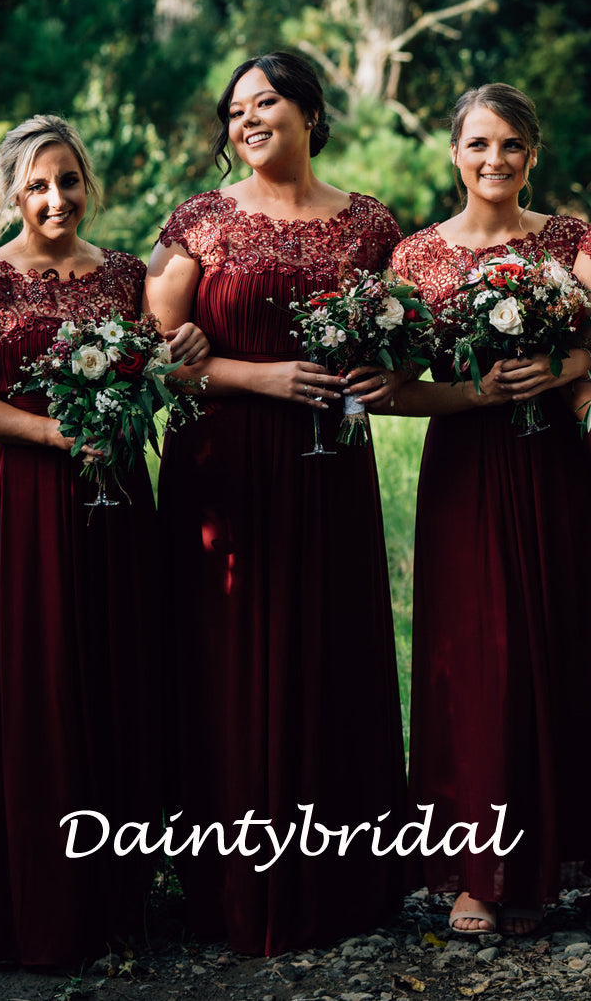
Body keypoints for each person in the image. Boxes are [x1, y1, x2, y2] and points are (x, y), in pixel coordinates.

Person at [145, 51, 407, 955]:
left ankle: (340, 880)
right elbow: (157, 357)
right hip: (224, 466)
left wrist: (383, 372)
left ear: (309, 111)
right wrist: (259, 375)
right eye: (233, 109)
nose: (245, 118)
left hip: (329, 464)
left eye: (264, 101)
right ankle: (230, 887)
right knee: (228, 663)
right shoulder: (198, 224)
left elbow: (400, 332)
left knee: (327, 645)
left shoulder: (371, 223)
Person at [0, 114, 206, 967]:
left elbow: (165, 367)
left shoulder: (123, 275)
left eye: (69, 181)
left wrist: (182, 347)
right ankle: (31, 898)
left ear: (90, 185)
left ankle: (117, 895)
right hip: (27, 502)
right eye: (38, 185)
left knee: (116, 673)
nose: (56, 199)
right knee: (34, 679)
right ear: (12, 190)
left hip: (118, 498)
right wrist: (46, 437)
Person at [386, 84, 591, 937]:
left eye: (511, 145)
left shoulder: (573, 239)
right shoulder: (414, 257)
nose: (495, 161)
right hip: (466, 469)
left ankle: (543, 865)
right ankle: (475, 869)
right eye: (478, 145)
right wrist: (476, 393)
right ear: (454, 154)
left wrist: (567, 368)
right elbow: (390, 392)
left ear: (533, 154)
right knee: (472, 655)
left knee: (552, 643)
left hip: (553, 464)